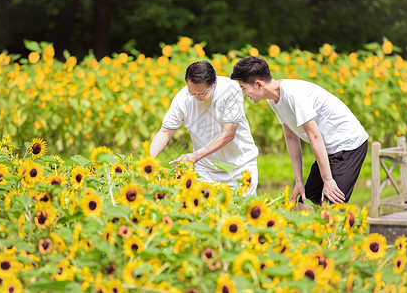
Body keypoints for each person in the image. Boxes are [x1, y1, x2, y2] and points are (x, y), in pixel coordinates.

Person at [230, 56, 368, 208]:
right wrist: (298, 182)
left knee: (331, 210)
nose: (243, 93)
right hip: (327, 148)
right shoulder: (273, 99)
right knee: (303, 203)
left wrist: (327, 179)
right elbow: (290, 137)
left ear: (258, 84)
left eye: (243, 87)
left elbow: (315, 136)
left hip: (348, 145)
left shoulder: (292, 94)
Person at [150, 61, 259, 195]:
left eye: (201, 94)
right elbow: (165, 132)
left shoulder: (231, 90)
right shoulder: (182, 98)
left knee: (241, 212)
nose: (196, 98)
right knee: (204, 213)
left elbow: (229, 133)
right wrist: (148, 160)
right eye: (192, 92)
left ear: (214, 84)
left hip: (240, 167)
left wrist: (195, 156)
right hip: (205, 169)